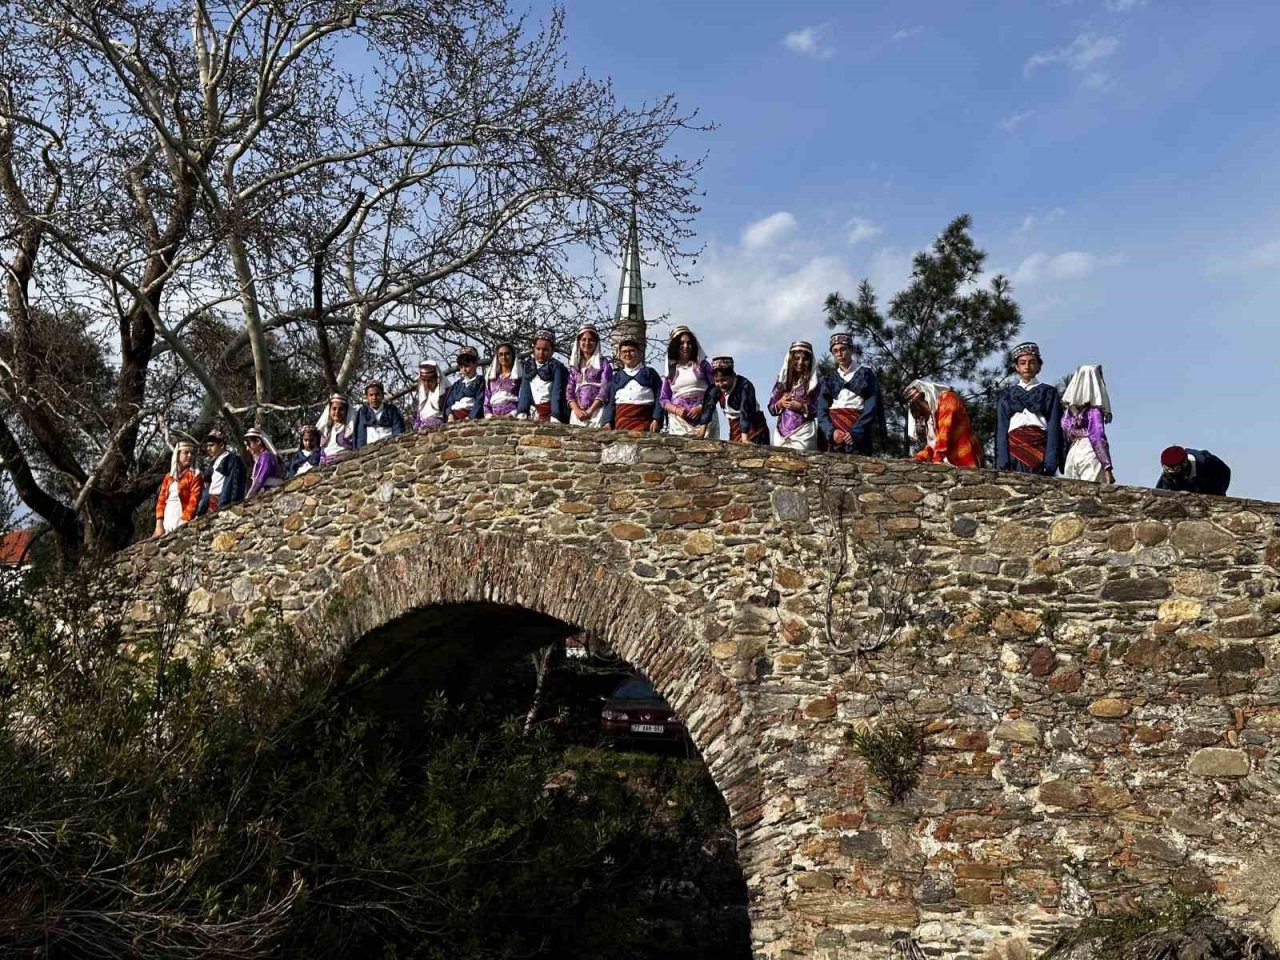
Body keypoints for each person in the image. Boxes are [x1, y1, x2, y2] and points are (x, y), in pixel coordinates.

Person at [996, 342, 1063, 476]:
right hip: (1014, 451)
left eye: (1032, 362)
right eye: (1022, 362)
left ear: (1038, 366)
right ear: (1016, 366)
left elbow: (1054, 425)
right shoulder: (1007, 395)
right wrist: (1002, 460)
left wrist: (1051, 459)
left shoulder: (1048, 392)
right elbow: (1001, 428)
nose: (1027, 366)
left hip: (1040, 449)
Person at [818, 333, 884, 455]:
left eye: (843, 349)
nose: (839, 354)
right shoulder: (829, 380)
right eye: (835, 351)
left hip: (859, 430)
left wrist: (855, 432)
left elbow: (871, 406)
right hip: (835, 434)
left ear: (851, 350)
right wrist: (832, 432)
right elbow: (821, 410)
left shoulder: (866, 374)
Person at [903, 380, 982, 468]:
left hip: (965, 461)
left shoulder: (948, 399)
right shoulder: (931, 414)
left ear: (926, 398)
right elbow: (933, 445)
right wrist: (918, 458)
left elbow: (944, 433)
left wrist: (937, 460)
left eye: (921, 409)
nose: (923, 418)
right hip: (952, 466)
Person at [659, 325, 718, 439]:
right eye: (681, 343)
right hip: (680, 421)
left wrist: (702, 407)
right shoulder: (670, 371)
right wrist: (677, 410)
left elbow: (715, 388)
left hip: (704, 418)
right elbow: (663, 398)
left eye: (689, 343)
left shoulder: (702, 365)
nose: (686, 346)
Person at [1060, 364, 1115, 483]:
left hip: (1073, 453)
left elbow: (1065, 431)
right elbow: (1097, 437)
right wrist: (1107, 467)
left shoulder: (1068, 412)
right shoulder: (1093, 411)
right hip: (1089, 452)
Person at [602, 335, 663, 432]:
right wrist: (607, 422)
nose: (628, 354)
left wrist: (657, 419)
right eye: (624, 352)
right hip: (621, 423)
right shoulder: (617, 377)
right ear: (620, 355)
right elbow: (611, 403)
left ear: (639, 353)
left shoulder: (650, 373)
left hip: (645, 422)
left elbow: (660, 397)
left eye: (631, 351)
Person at [768, 341, 821, 451]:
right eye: (797, 358)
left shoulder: (814, 384)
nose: (800, 362)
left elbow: (819, 408)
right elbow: (771, 408)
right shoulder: (782, 382)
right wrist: (780, 403)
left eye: (804, 359)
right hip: (780, 434)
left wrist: (801, 407)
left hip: (804, 434)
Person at [708, 356, 768, 445]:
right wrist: (701, 433)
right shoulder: (715, 389)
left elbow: (745, 411)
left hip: (754, 428)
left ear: (733, 376)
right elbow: (708, 408)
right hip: (735, 430)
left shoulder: (745, 386)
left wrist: (745, 439)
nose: (720, 384)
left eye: (724, 380)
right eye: (717, 381)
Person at [153, 438, 203, 537]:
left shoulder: (195, 476)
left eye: (192, 454)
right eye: (186, 453)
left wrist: (184, 522)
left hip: (182, 517)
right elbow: (161, 501)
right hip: (168, 516)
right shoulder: (169, 477)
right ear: (178, 455)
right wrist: (159, 525)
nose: (189, 456)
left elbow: (194, 501)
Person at [518, 329, 569, 423]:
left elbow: (557, 392)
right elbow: (525, 391)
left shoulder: (557, 367)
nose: (541, 353)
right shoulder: (528, 365)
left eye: (545, 350)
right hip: (535, 412)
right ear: (534, 348)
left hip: (553, 412)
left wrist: (555, 416)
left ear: (552, 351)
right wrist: (522, 412)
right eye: (538, 349)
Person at [566, 323, 612, 427]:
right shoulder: (574, 366)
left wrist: (591, 411)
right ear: (578, 342)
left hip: (597, 412)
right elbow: (569, 391)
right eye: (584, 339)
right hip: (577, 413)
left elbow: (605, 389)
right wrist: (576, 410)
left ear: (596, 343)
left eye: (591, 340)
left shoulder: (603, 363)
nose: (587, 343)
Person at [197, 428, 246, 515]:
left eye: (212, 445)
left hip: (223, 502)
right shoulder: (213, 462)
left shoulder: (232, 460)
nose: (208, 448)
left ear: (222, 445)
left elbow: (236, 484)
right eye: (207, 446)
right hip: (211, 503)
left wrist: (234, 504)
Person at [1157, 446, 1231, 496]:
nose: (1173, 475)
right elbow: (1160, 495)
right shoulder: (1168, 476)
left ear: (1185, 463)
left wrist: (1217, 495)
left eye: (1176, 470)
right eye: (1168, 470)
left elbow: (1224, 473)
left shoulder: (1207, 462)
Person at [353, 381, 405, 449]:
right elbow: (360, 436)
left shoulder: (391, 410)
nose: (374, 398)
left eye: (377, 394)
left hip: (390, 448)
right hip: (369, 451)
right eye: (371, 395)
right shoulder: (362, 412)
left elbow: (398, 430)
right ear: (367, 397)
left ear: (382, 396)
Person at [444, 347, 485, 420]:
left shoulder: (481, 382)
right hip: (454, 417)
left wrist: (470, 417)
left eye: (467, 366)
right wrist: (450, 414)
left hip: (471, 417)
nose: (464, 370)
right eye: (461, 367)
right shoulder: (457, 385)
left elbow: (480, 401)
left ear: (475, 364)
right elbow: (449, 403)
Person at [483, 342, 522, 419]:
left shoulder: (518, 378)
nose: (503, 357)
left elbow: (522, 400)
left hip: (513, 418)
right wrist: (489, 415)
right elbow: (486, 401)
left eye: (507, 354)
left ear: (512, 356)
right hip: (493, 419)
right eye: (500, 354)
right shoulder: (492, 379)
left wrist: (512, 414)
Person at [244, 427, 286, 498]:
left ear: (258, 441)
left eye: (249, 444)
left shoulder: (266, 456)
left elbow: (260, 480)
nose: (247, 448)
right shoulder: (264, 457)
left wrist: (248, 497)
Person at [317, 394, 355, 465]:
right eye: (334, 408)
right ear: (329, 410)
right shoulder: (325, 430)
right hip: (325, 465)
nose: (337, 412)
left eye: (341, 409)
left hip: (344, 463)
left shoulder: (350, 429)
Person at [413, 360, 449, 430]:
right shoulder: (422, 398)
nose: (426, 384)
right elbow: (417, 419)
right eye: (424, 380)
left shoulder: (446, 394)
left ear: (437, 379)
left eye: (430, 380)